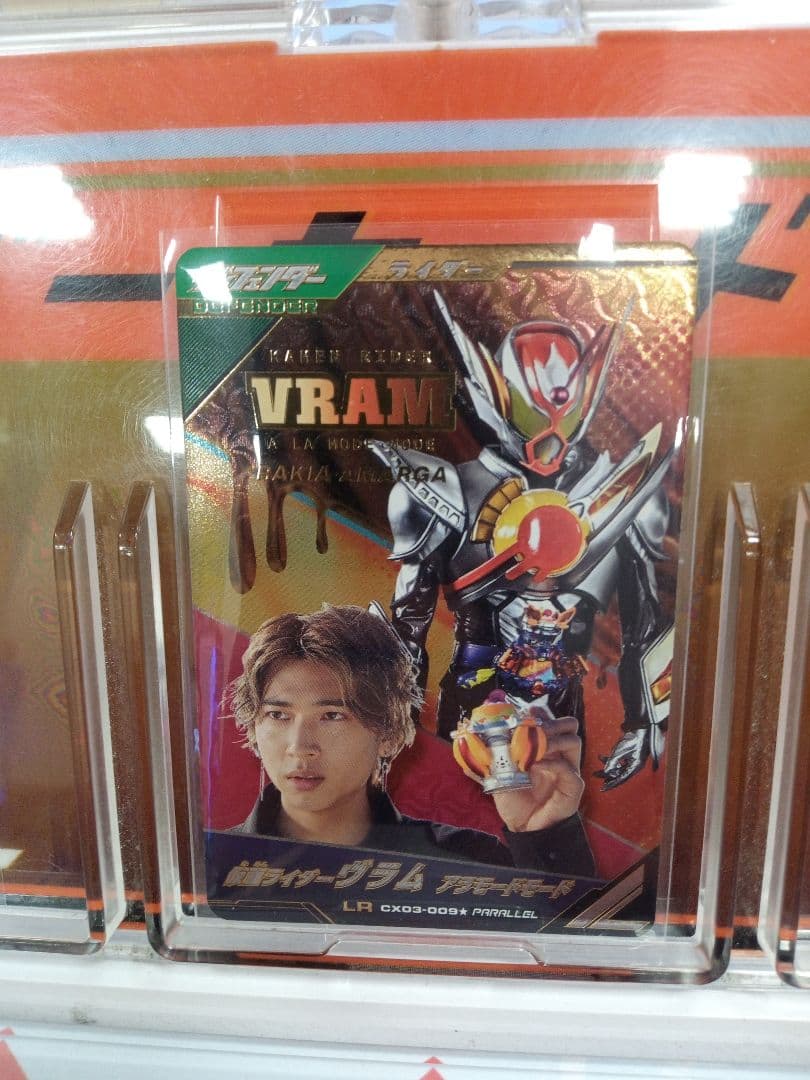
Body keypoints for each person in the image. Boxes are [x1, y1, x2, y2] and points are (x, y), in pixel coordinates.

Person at [224, 604, 596, 877]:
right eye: (278, 715)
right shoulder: (212, 867)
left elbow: (572, 950)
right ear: (253, 727)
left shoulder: (467, 861)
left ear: (388, 733)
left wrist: (544, 835)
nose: (300, 746)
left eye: (332, 716)